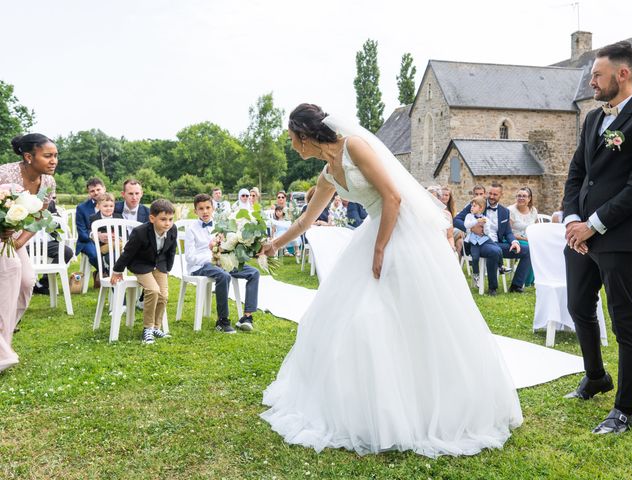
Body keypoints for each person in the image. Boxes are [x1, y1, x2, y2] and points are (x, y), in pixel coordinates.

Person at [259, 103, 521, 457]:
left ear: (305, 135)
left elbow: (393, 196)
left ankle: (429, 403)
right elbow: (307, 220)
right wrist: (275, 243)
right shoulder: (328, 174)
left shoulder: (355, 147)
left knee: (413, 312)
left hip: (403, 231)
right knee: (359, 316)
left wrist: (380, 248)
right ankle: (367, 404)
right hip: (375, 230)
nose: (292, 146)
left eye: (292, 139)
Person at [562, 42, 632, 434]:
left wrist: (594, 223)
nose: (591, 81)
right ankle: (596, 377)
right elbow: (577, 173)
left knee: (625, 322)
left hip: (621, 238)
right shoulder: (593, 119)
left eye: (597, 75)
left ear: (622, 75)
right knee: (578, 305)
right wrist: (573, 220)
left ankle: (624, 409)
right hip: (581, 237)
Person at [0, 133, 57, 372]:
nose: (54, 160)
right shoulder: (4, 175)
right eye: (48, 156)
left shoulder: (48, 183)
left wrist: (18, 241)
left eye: (55, 155)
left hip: (11, 237)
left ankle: (5, 341)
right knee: (11, 272)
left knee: (26, 282)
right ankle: (3, 354)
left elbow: (40, 216)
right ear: (28, 156)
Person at [185, 194, 260, 333]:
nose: (205, 211)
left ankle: (246, 317)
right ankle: (222, 321)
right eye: (201, 209)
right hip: (201, 265)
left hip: (224, 261)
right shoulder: (191, 229)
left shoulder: (222, 225)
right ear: (195, 211)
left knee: (253, 272)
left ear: (213, 208)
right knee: (224, 276)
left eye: (208, 207)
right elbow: (189, 257)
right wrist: (212, 257)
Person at [110, 199, 176, 344]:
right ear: (152, 218)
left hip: (160, 265)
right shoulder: (140, 232)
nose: (167, 223)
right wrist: (117, 270)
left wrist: (167, 270)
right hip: (141, 264)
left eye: (170, 219)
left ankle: (156, 327)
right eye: (163, 219)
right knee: (153, 290)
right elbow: (128, 253)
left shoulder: (172, 229)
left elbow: (171, 251)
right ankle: (148, 328)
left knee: (163, 295)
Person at [454, 182, 529, 296]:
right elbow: (456, 220)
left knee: (528, 251)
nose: (492, 196)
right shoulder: (478, 205)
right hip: (480, 244)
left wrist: (514, 242)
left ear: (501, 195)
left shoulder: (505, 211)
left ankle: (516, 285)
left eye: (495, 194)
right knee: (493, 251)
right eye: (490, 193)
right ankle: (492, 288)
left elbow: (508, 232)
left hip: (497, 243)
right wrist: (471, 229)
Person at [464, 195, 498, 287]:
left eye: (474, 206)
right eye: (472, 205)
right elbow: (467, 226)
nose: (471, 207)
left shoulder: (485, 218)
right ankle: (476, 276)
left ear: (481, 208)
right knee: (475, 258)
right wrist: (476, 222)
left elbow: (487, 232)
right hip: (473, 242)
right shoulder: (469, 216)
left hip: (484, 240)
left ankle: (501, 266)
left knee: (497, 248)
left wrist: (485, 225)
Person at [75, 177, 106, 276]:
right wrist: (95, 235)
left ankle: (100, 274)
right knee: (94, 254)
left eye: (98, 189)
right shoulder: (81, 208)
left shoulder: (112, 204)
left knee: (115, 255)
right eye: (92, 191)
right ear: (89, 192)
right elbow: (82, 232)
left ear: (104, 189)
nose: (96, 193)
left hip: (108, 239)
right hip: (88, 241)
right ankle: (106, 273)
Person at [508, 187, 537, 287]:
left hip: (530, 239)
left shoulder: (533, 210)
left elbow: (535, 227)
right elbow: (508, 232)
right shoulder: (511, 210)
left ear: (529, 198)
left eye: (524, 196)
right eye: (519, 196)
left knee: (540, 247)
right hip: (514, 239)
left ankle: (536, 278)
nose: (521, 198)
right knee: (531, 248)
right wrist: (525, 239)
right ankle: (527, 281)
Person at [89, 192, 123, 273]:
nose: (108, 208)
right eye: (105, 206)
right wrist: (97, 235)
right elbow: (89, 231)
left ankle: (112, 276)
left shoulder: (119, 217)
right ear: (99, 206)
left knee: (114, 256)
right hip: (102, 247)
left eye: (111, 206)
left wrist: (118, 236)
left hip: (116, 248)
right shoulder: (94, 218)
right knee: (119, 247)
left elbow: (124, 232)